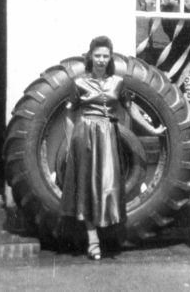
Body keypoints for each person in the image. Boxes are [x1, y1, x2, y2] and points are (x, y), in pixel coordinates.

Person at [59, 36, 165, 260]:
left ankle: (106, 233)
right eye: (97, 55)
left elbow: (130, 109)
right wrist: (70, 143)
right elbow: (69, 114)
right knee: (87, 186)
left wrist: (152, 129)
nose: (101, 60)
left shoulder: (118, 82)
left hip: (109, 135)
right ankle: (93, 240)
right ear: (91, 56)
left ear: (110, 58)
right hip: (85, 135)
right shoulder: (79, 83)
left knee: (108, 185)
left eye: (105, 56)